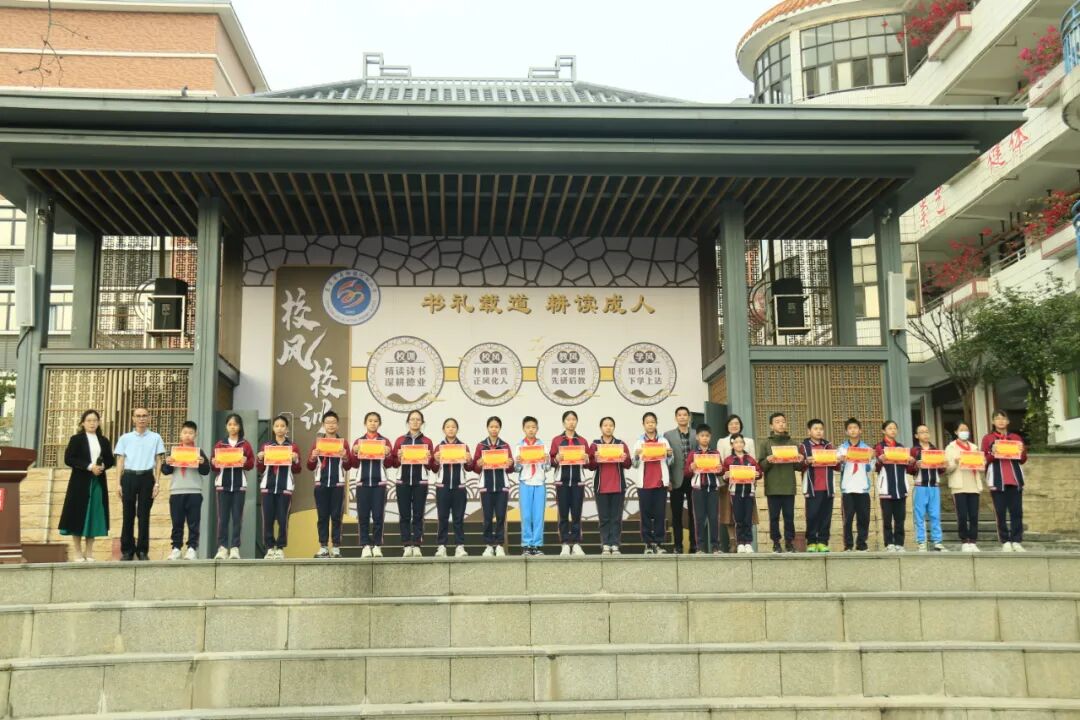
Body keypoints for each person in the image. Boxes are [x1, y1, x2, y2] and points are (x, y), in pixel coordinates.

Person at [59, 409, 115, 562]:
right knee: (78, 515)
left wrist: (102, 466)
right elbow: (69, 459)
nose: (92, 423)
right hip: (80, 483)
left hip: (98, 482)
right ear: (83, 423)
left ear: (99, 423)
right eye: (89, 420)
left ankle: (89, 551)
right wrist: (89, 466)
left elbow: (110, 460)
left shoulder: (104, 440)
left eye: (95, 420)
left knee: (93, 515)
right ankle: (78, 552)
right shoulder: (76, 439)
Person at [113, 407, 165, 561]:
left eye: (144, 416)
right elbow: (120, 460)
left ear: (149, 418)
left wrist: (157, 483)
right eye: (138, 416)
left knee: (144, 515)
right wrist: (118, 483)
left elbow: (159, 460)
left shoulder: (156, 437)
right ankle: (127, 551)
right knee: (127, 514)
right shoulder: (125, 438)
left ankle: (142, 550)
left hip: (147, 478)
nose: (141, 418)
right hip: (129, 477)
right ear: (133, 419)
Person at [306, 410, 354, 559]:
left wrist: (345, 456)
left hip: (338, 484)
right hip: (321, 484)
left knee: (336, 516)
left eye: (333, 422)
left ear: (337, 425)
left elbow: (348, 466)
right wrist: (313, 456)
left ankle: (336, 547)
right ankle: (323, 547)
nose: (331, 425)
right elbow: (310, 466)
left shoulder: (343, 443)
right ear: (323, 425)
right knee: (322, 517)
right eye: (328, 422)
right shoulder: (318, 443)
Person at [162, 420, 211, 560]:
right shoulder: (174, 452)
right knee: (177, 522)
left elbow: (206, 471)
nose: (188, 435)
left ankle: (192, 548)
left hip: (194, 491)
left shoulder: (198, 452)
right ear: (180, 434)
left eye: (191, 433)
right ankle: (176, 548)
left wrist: (202, 462)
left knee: (193, 522)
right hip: (177, 491)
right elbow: (165, 471)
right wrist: (168, 462)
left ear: (195, 435)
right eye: (185, 432)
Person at [391, 410, 436, 557]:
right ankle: (406, 545)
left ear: (422, 422)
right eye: (412, 419)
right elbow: (393, 463)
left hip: (420, 482)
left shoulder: (427, 441)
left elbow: (431, 466)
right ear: (408, 422)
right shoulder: (400, 440)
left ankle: (416, 544)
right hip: (402, 481)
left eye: (418, 419)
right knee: (404, 515)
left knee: (418, 514)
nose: (415, 422)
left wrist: (429, 458)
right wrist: (398, 457)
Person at [982, 409, 1028, 552]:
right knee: (1000, 512)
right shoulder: (988, 438)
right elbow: (984, 459)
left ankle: (1017, 540)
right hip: (997, 480)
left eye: (1003, 418)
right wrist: (993, 452)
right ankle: (1005, 541)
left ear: (1008, 421)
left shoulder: (1015, 437)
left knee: (1017, 512)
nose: (1001, 421)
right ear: (993, 421)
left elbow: (1023, 459)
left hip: (1014, 479)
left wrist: (1022, 450)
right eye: (997, 418)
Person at [210, 414, 255, 560]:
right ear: (226, 426)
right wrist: (214, 462)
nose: (232, 427)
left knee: (237, 518)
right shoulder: (220, 444)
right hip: (223, 485)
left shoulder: (245, 444)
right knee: (222, 518)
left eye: (235, 424)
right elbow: (214, 466)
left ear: (240, 426)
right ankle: (222, 548)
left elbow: (251, 464)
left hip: (239, 485)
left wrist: (245, 461)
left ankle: (235, 548)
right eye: (230, 424)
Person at [257, 414, 301, 559]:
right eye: (277, 426)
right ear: (273, 428)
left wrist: (295, 460)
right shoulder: (266, 446)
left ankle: (280, 547)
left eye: (282, 426)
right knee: (267, 519)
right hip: (268, 487)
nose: (280, 428)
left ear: (287, 429)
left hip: (285, 487)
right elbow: (260, 469)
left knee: (283, 519)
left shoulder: (292, 447)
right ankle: (269, 548)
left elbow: (297, 469)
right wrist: (260, 459)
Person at [351, 411, 393, 558]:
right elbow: (353, 464)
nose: (373, 423)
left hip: (379, 483)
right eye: (370, 420)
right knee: (363, 516)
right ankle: (365, 545)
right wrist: (354, 452)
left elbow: (390, 463)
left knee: (378, 516)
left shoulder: (385, 441)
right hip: (362, 483)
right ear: (365, 423)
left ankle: (377, 545)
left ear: (379, 424)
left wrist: (388, 453)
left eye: (375, 421)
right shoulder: (359, 442)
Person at [587, 416, 631, 555]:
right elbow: (590, 466)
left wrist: (624, 459)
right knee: (604, 517)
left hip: (618, 486)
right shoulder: (595, 445)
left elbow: (628, 464)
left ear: (614, 427)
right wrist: (595, 459)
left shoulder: (620, 444)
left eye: (611, 425)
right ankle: (606, 544)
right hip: (601, 486)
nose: (608, 427)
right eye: (605, 425)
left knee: (616, 518)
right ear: (601, 428)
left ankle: (615, 544)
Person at [758, 412, 800, 553]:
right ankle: (776, 543)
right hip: (773, 487)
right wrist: (767, 460)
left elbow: (798, 467)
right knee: (774, 517)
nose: (781, 424)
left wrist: (800, 459)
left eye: (783, 421)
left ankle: (789, 542)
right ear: (771, 425)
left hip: (789, 486)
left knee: (789, 517)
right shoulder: (765, 443)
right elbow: (761, 466)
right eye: (777, 422)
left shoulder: (793, 443)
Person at [632, 411, 673, 554]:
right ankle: (648, 544)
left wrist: (670, 455)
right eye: (647, 422)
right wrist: (636, 456)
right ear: (643, 424)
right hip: (644, 484)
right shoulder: (639, 442)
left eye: (653, 422)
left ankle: (659, 543)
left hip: (660, 483)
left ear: (656, 424)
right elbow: (635, 464)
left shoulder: (663, 441)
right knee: (645, 515)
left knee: (660, 514)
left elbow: (670, 462)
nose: (650, 424)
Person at [716, 414, 757, 552]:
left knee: (747, 514)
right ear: (727, 426)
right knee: (730, 514)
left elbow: (753, 462)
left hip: (747, 485)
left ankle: (747, 542)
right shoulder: (722, 441)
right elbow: (720, 462)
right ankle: (734, 542)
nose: (734, 426)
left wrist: (755, 477)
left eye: (737, 423)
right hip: (729, 485)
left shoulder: (749, 441)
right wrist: (724, 476)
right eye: (731, 423)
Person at [550, 410, 589, 556]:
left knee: (577, 513)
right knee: (563, 514)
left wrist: (586, 459)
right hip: (562, 482)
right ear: (563, 422)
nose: (571, 422)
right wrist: (556, 459)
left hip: (578, 482)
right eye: (568, 419)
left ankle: (577, 543)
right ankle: (565, 543)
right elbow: (551, 460)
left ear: (577, 422)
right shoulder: (557, 440)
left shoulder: (582, 441)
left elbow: (589, 462)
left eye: (573, 419)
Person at [432, 417, 472, 558]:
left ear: (457, 429)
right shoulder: (439, 447)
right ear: (443, 429)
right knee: (442, 517)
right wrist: (435, 460)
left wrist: (469, 460)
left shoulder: (463, 447)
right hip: (442, 487)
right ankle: (441, 546)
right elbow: (433, 468)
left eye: (453, 426)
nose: (451, 429)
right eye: (448, 427)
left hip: (459, 487)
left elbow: (469, 467)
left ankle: (459, 546)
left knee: (458, 518)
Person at [473, 416, 512, 557]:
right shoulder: (481, 446)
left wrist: (510, 463)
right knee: (487, 517)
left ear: (500, 428)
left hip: (502, 487)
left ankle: (500, 545)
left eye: (496, 427)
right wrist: (478, 464)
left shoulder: (505, 446)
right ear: (487, 428)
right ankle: (489, 545)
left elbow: (510, 469)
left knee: (501, 516)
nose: (494, 429)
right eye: (491, 426)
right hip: (486, 486)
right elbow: (474, 467)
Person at [684, 423, 724, 554]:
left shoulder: (715, 453)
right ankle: (700, 547)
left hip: (713, 489)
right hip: (698, 489)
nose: (705, 438)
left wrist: (720, 469)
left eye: (707, 436)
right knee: (699, 519)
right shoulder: (693, 454)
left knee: (714, 518)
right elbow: (686, 473)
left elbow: (721, 471)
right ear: (697, 437)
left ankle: (715, 546)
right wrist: (691, 468)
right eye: (702, 435)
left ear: (710, 437)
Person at [798, 418, 837, 553]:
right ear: (809, 431)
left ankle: (822, 542)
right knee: (812, 515)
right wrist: (806, 461)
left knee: (826, 516)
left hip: (828, 487)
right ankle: (811, 542)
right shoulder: (804, 446)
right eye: (815, 429)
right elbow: (798, 465)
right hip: (812, 487)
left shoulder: (828, 446)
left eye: (821, 429)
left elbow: (837, 467)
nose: (819, 431)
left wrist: (838, 460)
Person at [944, 421, 984, 551]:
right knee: (962, 515)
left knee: (974, 515)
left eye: (966, 429)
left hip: (973, 484)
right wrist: (955, 462)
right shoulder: (950, 448)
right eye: (961, 430)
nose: (964, 432)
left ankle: (973, 540)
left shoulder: (974, 447)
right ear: (956, 432)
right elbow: (947, 469)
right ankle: (964, 540)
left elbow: (982, 465)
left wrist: (980, 462)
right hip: (959, 486)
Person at [875, 419, 913, 552]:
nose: (893, 430)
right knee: (887, 518)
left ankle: (899, 543)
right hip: (886, 487)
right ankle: (889, 543)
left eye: (894, 428)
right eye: (890, 428)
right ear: (883, 431)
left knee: (900, 518)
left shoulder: (901, 447)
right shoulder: (879, 447)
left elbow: (908, 468)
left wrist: (911, 461)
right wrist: (879, 460)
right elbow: (876, 466)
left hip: (900, 487)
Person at [663, 407, 697, 554]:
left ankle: (694, 545)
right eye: (679, 415)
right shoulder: (668, 435)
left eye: (685, 415)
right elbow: (665, 459)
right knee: (676, 514)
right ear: (675, 418)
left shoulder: (696, 434)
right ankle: (678, 545)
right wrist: (668, 479)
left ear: (689, 417)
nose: (682, 417)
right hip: (676, 478)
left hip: (694, 478)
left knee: (694, 514)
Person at [722, 433, 762, 553]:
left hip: (749, 492)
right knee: (738, 518)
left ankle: (748, 543)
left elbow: (759, 472)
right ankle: (740, 542)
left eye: (741, 442)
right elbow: (724, 475)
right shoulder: (728, 460)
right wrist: (726, 475)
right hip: (735, 492)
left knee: (748, 518)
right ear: (732, 445)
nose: (739, 444)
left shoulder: (750, 459)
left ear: (744, 444)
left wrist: (758, 474)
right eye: (736, 442)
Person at [837, 418, 873, 552]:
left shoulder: (867, 448)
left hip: (862, 488)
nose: (853, 430)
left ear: (860, 430)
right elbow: (838, 467)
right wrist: (841, 461)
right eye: (850, 428)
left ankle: (861, 544)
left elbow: (870, 468)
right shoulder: (841, 448)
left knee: (864, 518)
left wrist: (870, 458)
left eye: (855, 428)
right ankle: (848, 545)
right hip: (848, 488)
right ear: (846, 431)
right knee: (847, 519)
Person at [910, 424, 946, 552]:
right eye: (921, 432)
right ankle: (921, 542)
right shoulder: (914, 450)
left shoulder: (935, 450)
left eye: (926, 431)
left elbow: (941, 470)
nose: (925, 434)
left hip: (934, 486)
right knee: (919, 515)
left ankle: (937, 542)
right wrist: (915, 464)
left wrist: (943, 465)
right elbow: (909, 469)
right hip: (920, 485)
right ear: (916, 435)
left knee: (935, 514)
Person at [515, 415, 548, 556]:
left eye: (533, 427)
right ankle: (527, 545)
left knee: (538, 516)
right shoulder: (519, 446)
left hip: (539, 482)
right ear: (523, 429)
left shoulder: (542, 446)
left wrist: (547, 461)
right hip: (525, 482)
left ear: (537, 429)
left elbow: (547, 468)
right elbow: (516, 469)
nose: (531, 430)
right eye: (528, 427)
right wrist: (518, 462)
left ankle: (537, 545)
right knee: (526, 516)